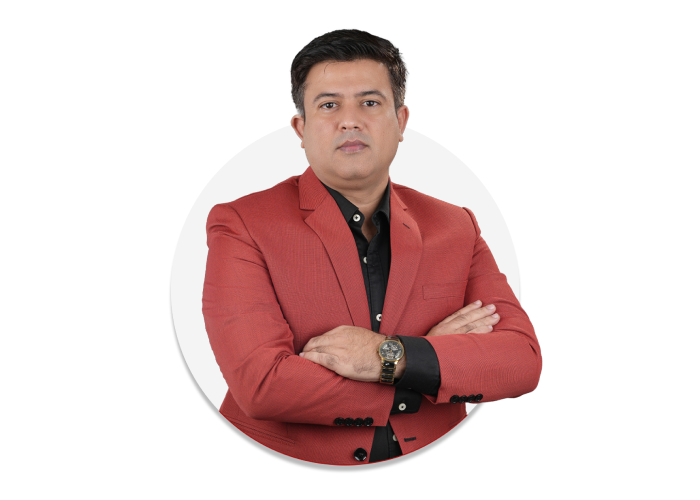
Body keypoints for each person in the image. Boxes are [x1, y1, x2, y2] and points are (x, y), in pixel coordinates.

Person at [202, 29, 542, 466]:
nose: (350, 121)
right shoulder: (242, 223)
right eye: (329, 105)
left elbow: (520, 360)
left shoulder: (456, 225)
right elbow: (262, 385)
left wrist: (386, 356)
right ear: (301, 129)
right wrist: (421, 363)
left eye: (369, 102)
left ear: (400, 121)